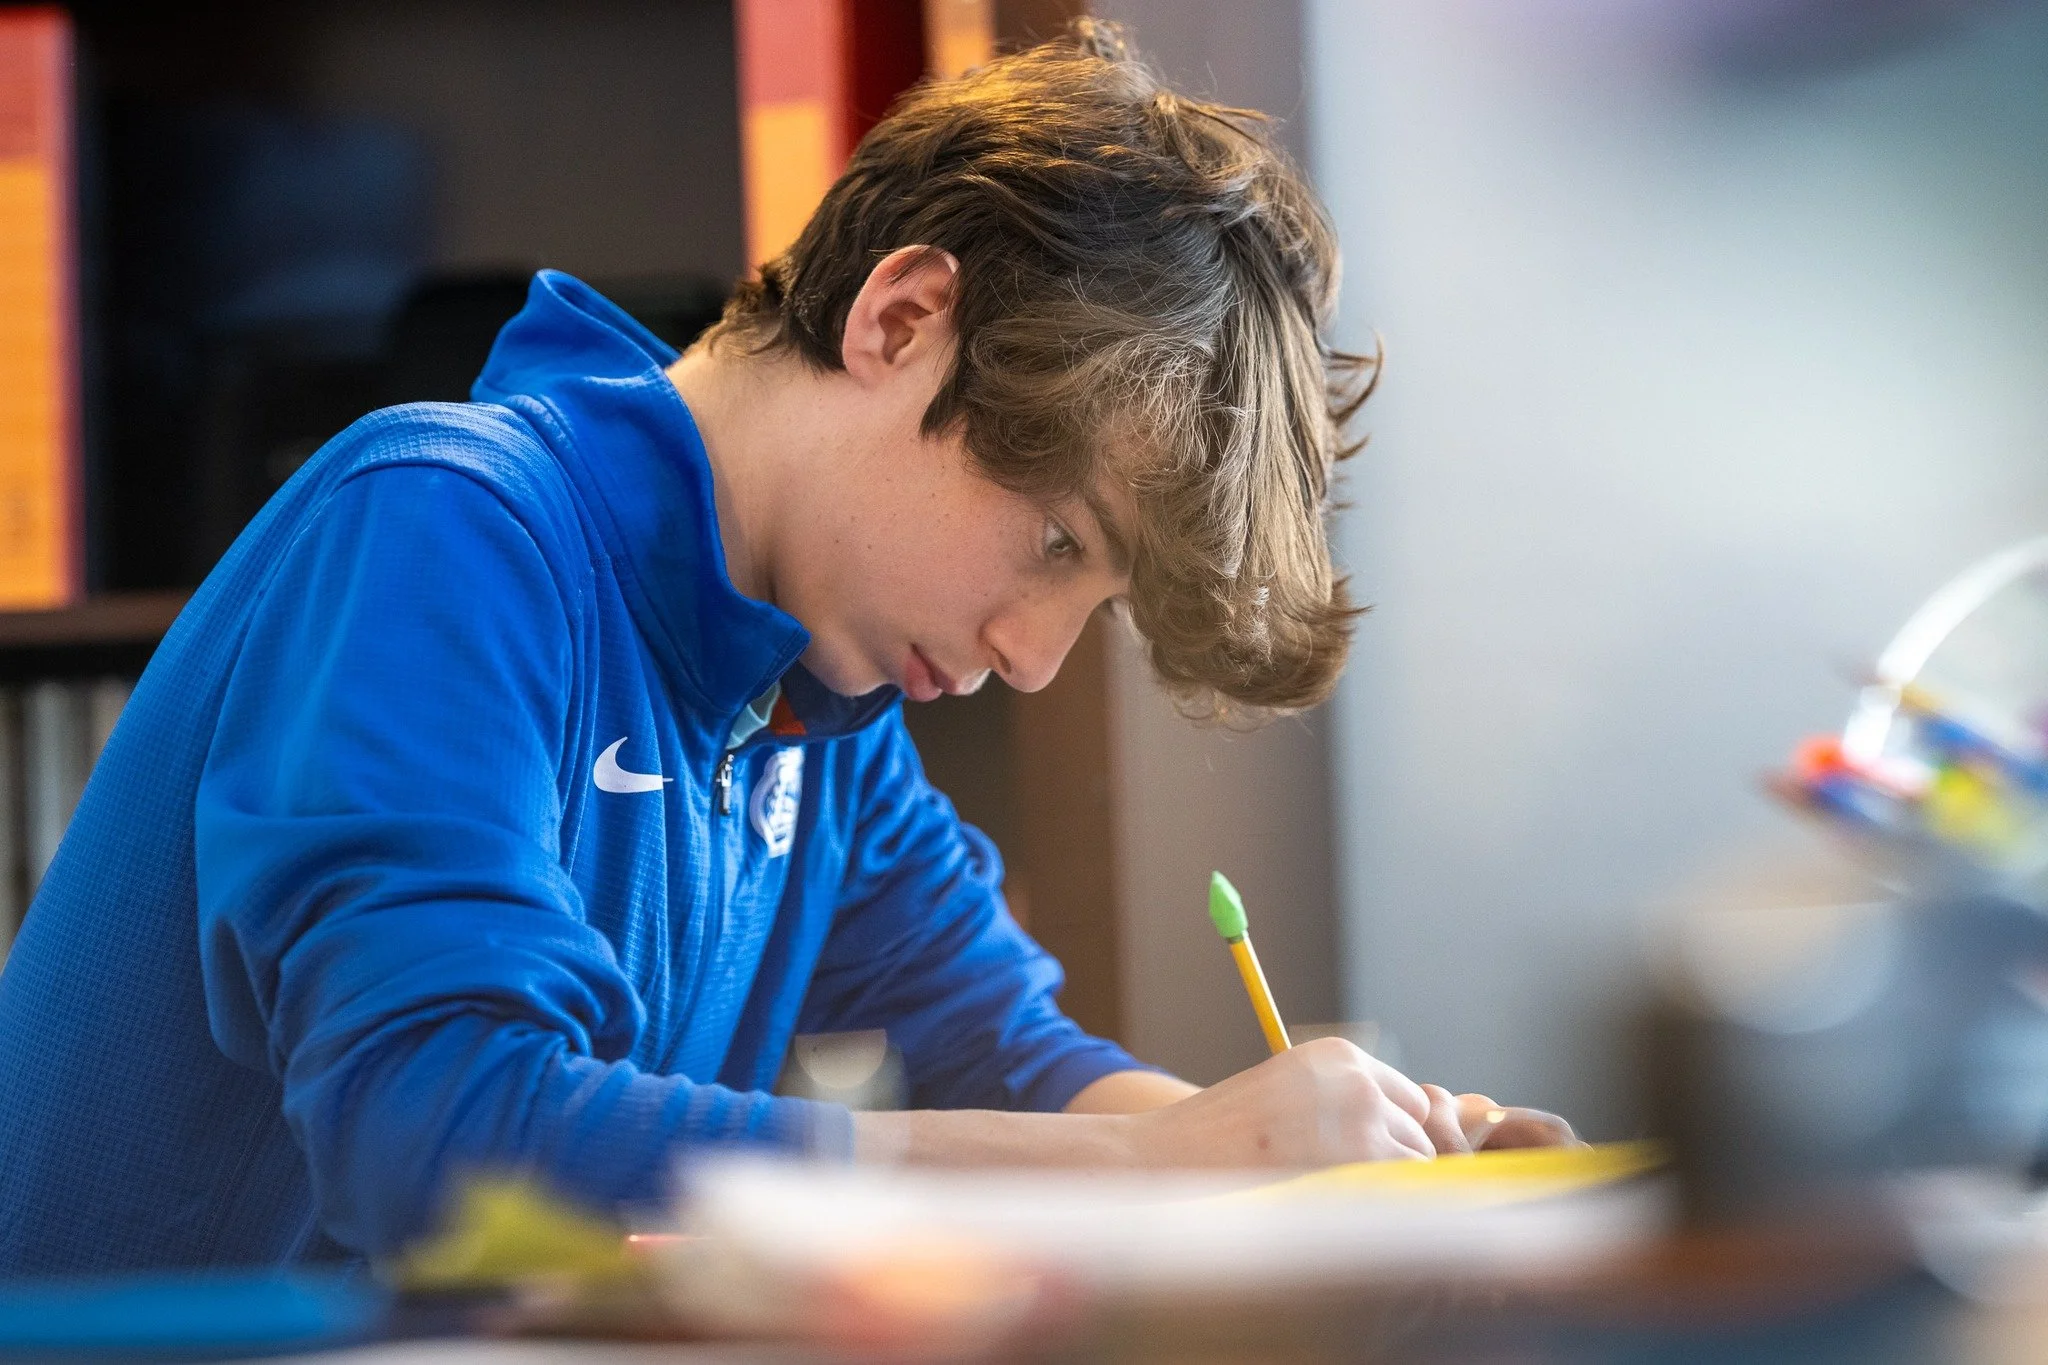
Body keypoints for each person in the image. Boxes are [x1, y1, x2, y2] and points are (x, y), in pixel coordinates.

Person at [0, 23, 1570, 1276]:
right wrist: (1170, 1162)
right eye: (1053, 545)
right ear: (900, 320)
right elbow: (442, 1136)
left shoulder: (819, 703)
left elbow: (1008, 1063)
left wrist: (1319, 1168)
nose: (1031, 660)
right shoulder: (445, 525)